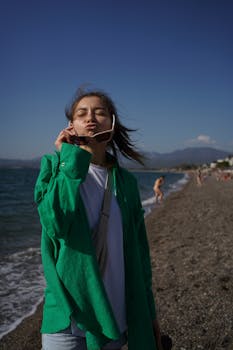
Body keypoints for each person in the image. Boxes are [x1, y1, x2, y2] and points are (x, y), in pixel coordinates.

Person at [34, 88, 163, 350]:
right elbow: (56, 224)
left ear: (112, 123)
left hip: (114, 318)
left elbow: (140, 253)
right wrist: (68, 157)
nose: (91, 117)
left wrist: (150, 314)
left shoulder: (125, 183)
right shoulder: (53, 167)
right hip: (68, 319)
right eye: (82, 114)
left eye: (100, 112)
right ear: (71, 126)